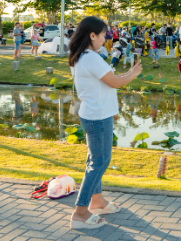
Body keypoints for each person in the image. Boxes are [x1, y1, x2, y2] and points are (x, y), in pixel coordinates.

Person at [68, 16, 143, 229]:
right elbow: (116, 83)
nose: (105, 39)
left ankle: (97, 201)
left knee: (95, 160)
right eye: (102, 35)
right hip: (97, 116)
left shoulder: (82, 56)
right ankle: (80, 213)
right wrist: (133, 73)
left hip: (96, 114)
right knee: (99, 163)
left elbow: (108, 82)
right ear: (92, 35)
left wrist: (127, 73)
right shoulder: (91, 58)